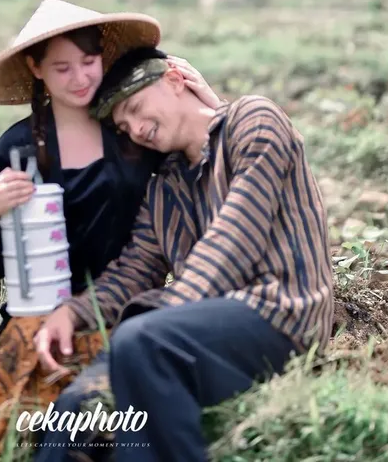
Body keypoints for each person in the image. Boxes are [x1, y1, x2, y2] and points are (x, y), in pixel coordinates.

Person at [34, 46, 334, 462]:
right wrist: (73, 312)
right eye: (124, 125)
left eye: (137, 108)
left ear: (175, 80)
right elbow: (136, 268)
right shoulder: (164, 184)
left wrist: (165, 314)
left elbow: (234, 239)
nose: (136, 128)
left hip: (279, 316)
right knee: (74, 410)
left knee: (141, 342)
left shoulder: (254, 121)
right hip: (195, 330)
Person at [0, 1, 220, 462]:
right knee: (37, 415)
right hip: (43, 308)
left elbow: (204, 172)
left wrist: (211, 107)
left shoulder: (132, 131)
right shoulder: (18, 149)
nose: (80, 78)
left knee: (113, 416)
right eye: (62, 67)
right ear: (35, 68)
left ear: (104, 57)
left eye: (89, 62)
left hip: (129, 303)